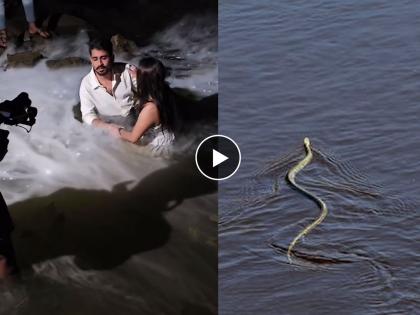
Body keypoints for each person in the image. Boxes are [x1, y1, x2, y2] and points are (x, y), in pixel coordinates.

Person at [79, 37, 137, 137]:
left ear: (112, 57)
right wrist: (107, 127)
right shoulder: (86, 84)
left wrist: (142, 80)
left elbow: (150, 96)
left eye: (104, 58)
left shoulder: (128, 72)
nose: (100, 64)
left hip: (136, 118)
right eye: (95, 59)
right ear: (91, 60)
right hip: (109, 124)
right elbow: (87, 115)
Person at [117, 57, 177, 151]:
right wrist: (140, 74)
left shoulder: (150, 109)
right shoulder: (165, 91)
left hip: (158, 149)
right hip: (168, 140)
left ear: (144, 81)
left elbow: (133, 138)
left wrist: (116, 130)